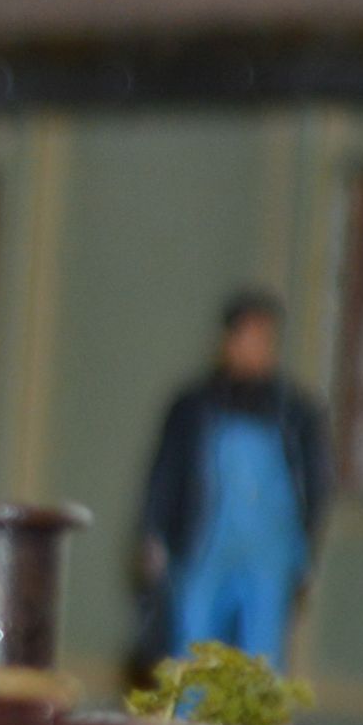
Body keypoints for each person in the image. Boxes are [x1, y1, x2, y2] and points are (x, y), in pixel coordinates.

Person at [134, 289, 330, 675]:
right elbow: (166, 471)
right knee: (192, 647)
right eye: (249, 338)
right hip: (204, 543)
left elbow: (315, 481)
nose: (257, 350)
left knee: (262, 657)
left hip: (269, 554)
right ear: (228, 341)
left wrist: (306, 548)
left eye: (265, 340)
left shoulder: (295, 411)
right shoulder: (192, 407)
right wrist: (153, 533)